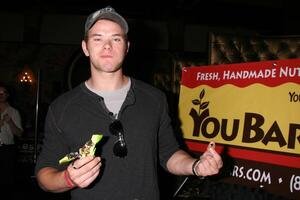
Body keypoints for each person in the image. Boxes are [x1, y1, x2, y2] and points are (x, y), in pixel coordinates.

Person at [35, 6, 223, 200]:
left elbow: (168, 153)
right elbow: (44, 174)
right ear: (85, 47)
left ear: (127, 47)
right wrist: (68, 178)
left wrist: (196, 166)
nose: (107, 46)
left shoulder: (155, 99)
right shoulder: (62, 107)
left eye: (116, 38)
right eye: (98, 38)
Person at [0, 83, 23, 199]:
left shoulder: (14, 112)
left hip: (6, 149)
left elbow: (19, 134)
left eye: (3, 93)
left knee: (6, 180)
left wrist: (10, 122)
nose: (0, 95)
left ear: (7, 95)